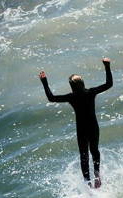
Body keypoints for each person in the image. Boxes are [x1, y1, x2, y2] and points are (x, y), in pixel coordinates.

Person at [39, 58, 113, 188]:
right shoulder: (91, 92)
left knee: (83, 156)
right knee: (94, 151)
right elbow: (109, 84)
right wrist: (107, 65)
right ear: (82, 83)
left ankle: (88, 184)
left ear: (71, 86)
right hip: (93, 127)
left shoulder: (71, 97)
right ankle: (97, 176)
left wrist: (44, 81)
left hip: (82, 129)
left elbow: (51, 98)